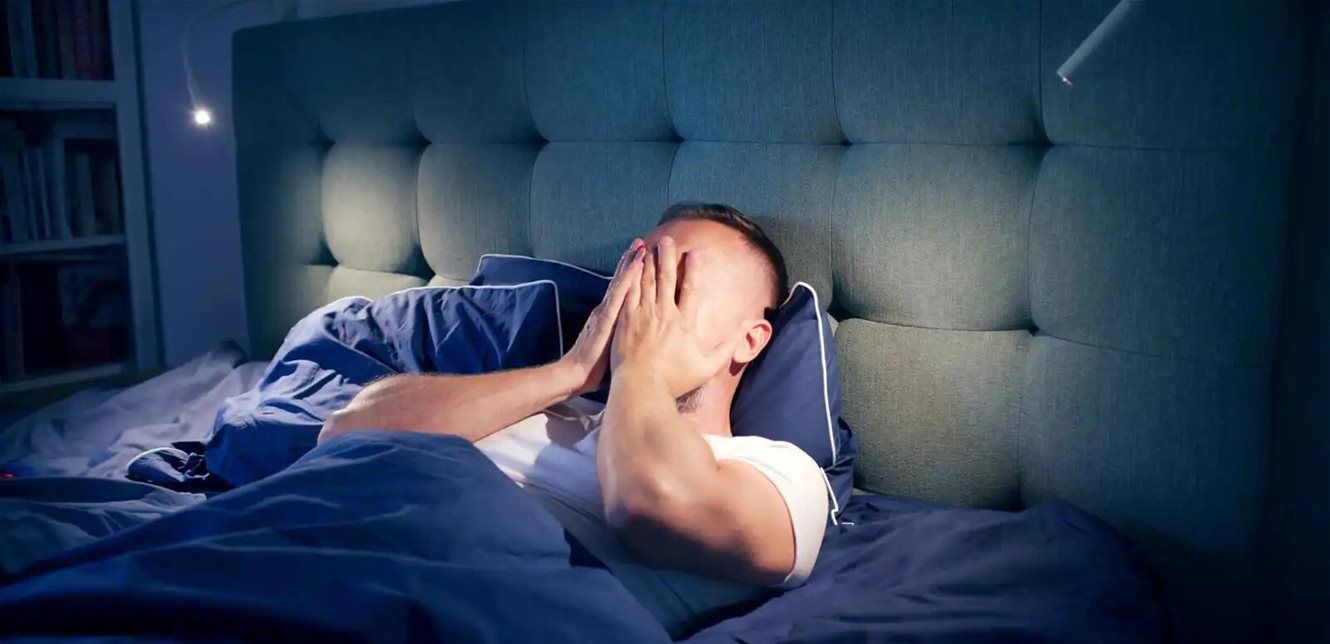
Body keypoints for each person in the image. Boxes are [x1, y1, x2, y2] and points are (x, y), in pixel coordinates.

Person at [319, 203, 828, 636]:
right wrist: (570, 372)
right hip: (331, 543)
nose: (641, 301)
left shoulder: (781, 473)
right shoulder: (541, 407)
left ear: (749, 340)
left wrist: (641, 369)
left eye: (675, 285)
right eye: (636, 274)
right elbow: (347, 432)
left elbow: (647, 504)